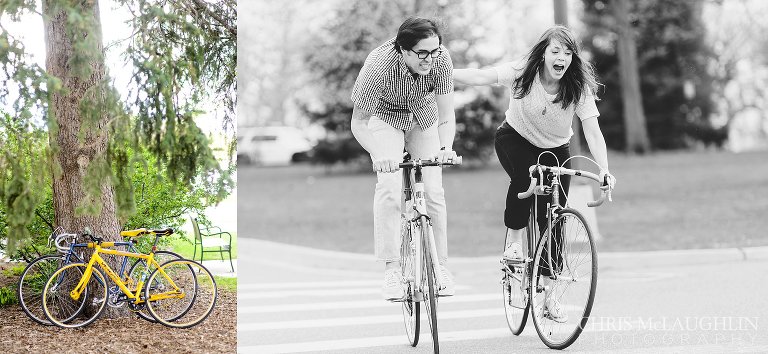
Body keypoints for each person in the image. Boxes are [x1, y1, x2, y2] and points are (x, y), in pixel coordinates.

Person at [453, 25, 616, 321]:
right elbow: (481, 76)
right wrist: (443, 72)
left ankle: (550, 296)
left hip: (556, 149)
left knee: (553, 219)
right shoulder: (522, 71)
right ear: (543, 53)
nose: (561, 58)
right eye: (555, 51)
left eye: (568, 53)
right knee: (526, 176)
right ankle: (515, 243)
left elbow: (593, 130)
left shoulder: (577, 87)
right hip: (514, 138)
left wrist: (604, 169)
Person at [350, 17, 459, 300]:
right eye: (422, 53)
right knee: (388, 189)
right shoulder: (378, 66)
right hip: (386, 118)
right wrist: (380, 154)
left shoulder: (441, 59)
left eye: (434, 51)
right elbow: (358, 123)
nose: (429, 59)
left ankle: (441, 266)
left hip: (424, 117)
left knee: (434, 191)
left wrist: (445, 147)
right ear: (403, 49)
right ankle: (392, 269)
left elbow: (446, 115)